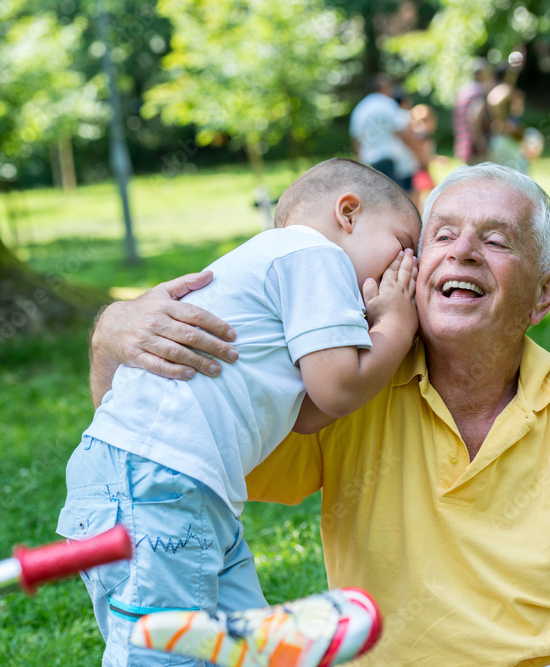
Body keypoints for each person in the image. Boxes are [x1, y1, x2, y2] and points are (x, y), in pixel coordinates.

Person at [89, 162, 550, 666]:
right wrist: (116, 334)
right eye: (442, 234)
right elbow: (159, 452)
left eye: (495, 239)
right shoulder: (341, 386)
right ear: (414, 267)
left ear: (542, 293)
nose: (462, 250)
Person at [59, 158, 422, 666]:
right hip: (157, 482)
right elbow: (340, 389)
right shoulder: (314, 254)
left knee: (246, 649)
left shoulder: (283, 272)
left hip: (182, 488)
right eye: (404, 244)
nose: (405, 266)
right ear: (348, 213)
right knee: (164, 651)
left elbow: (309, 413)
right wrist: (398, 325)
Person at [349, 74, 425, 189]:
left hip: (368, 162)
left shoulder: (360, 108)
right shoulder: (388, 104)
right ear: (383, 88)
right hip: (387, 160)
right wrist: (419, 154)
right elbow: (403, 133)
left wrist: (358, 163)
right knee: (393, 198)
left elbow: (356, 140)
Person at [453, 58, 495, 165]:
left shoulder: (462, 91)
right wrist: (481, 145)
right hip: (474, 147)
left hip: (462, 146)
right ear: (480, 74)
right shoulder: (479, 91)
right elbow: (475, 119)